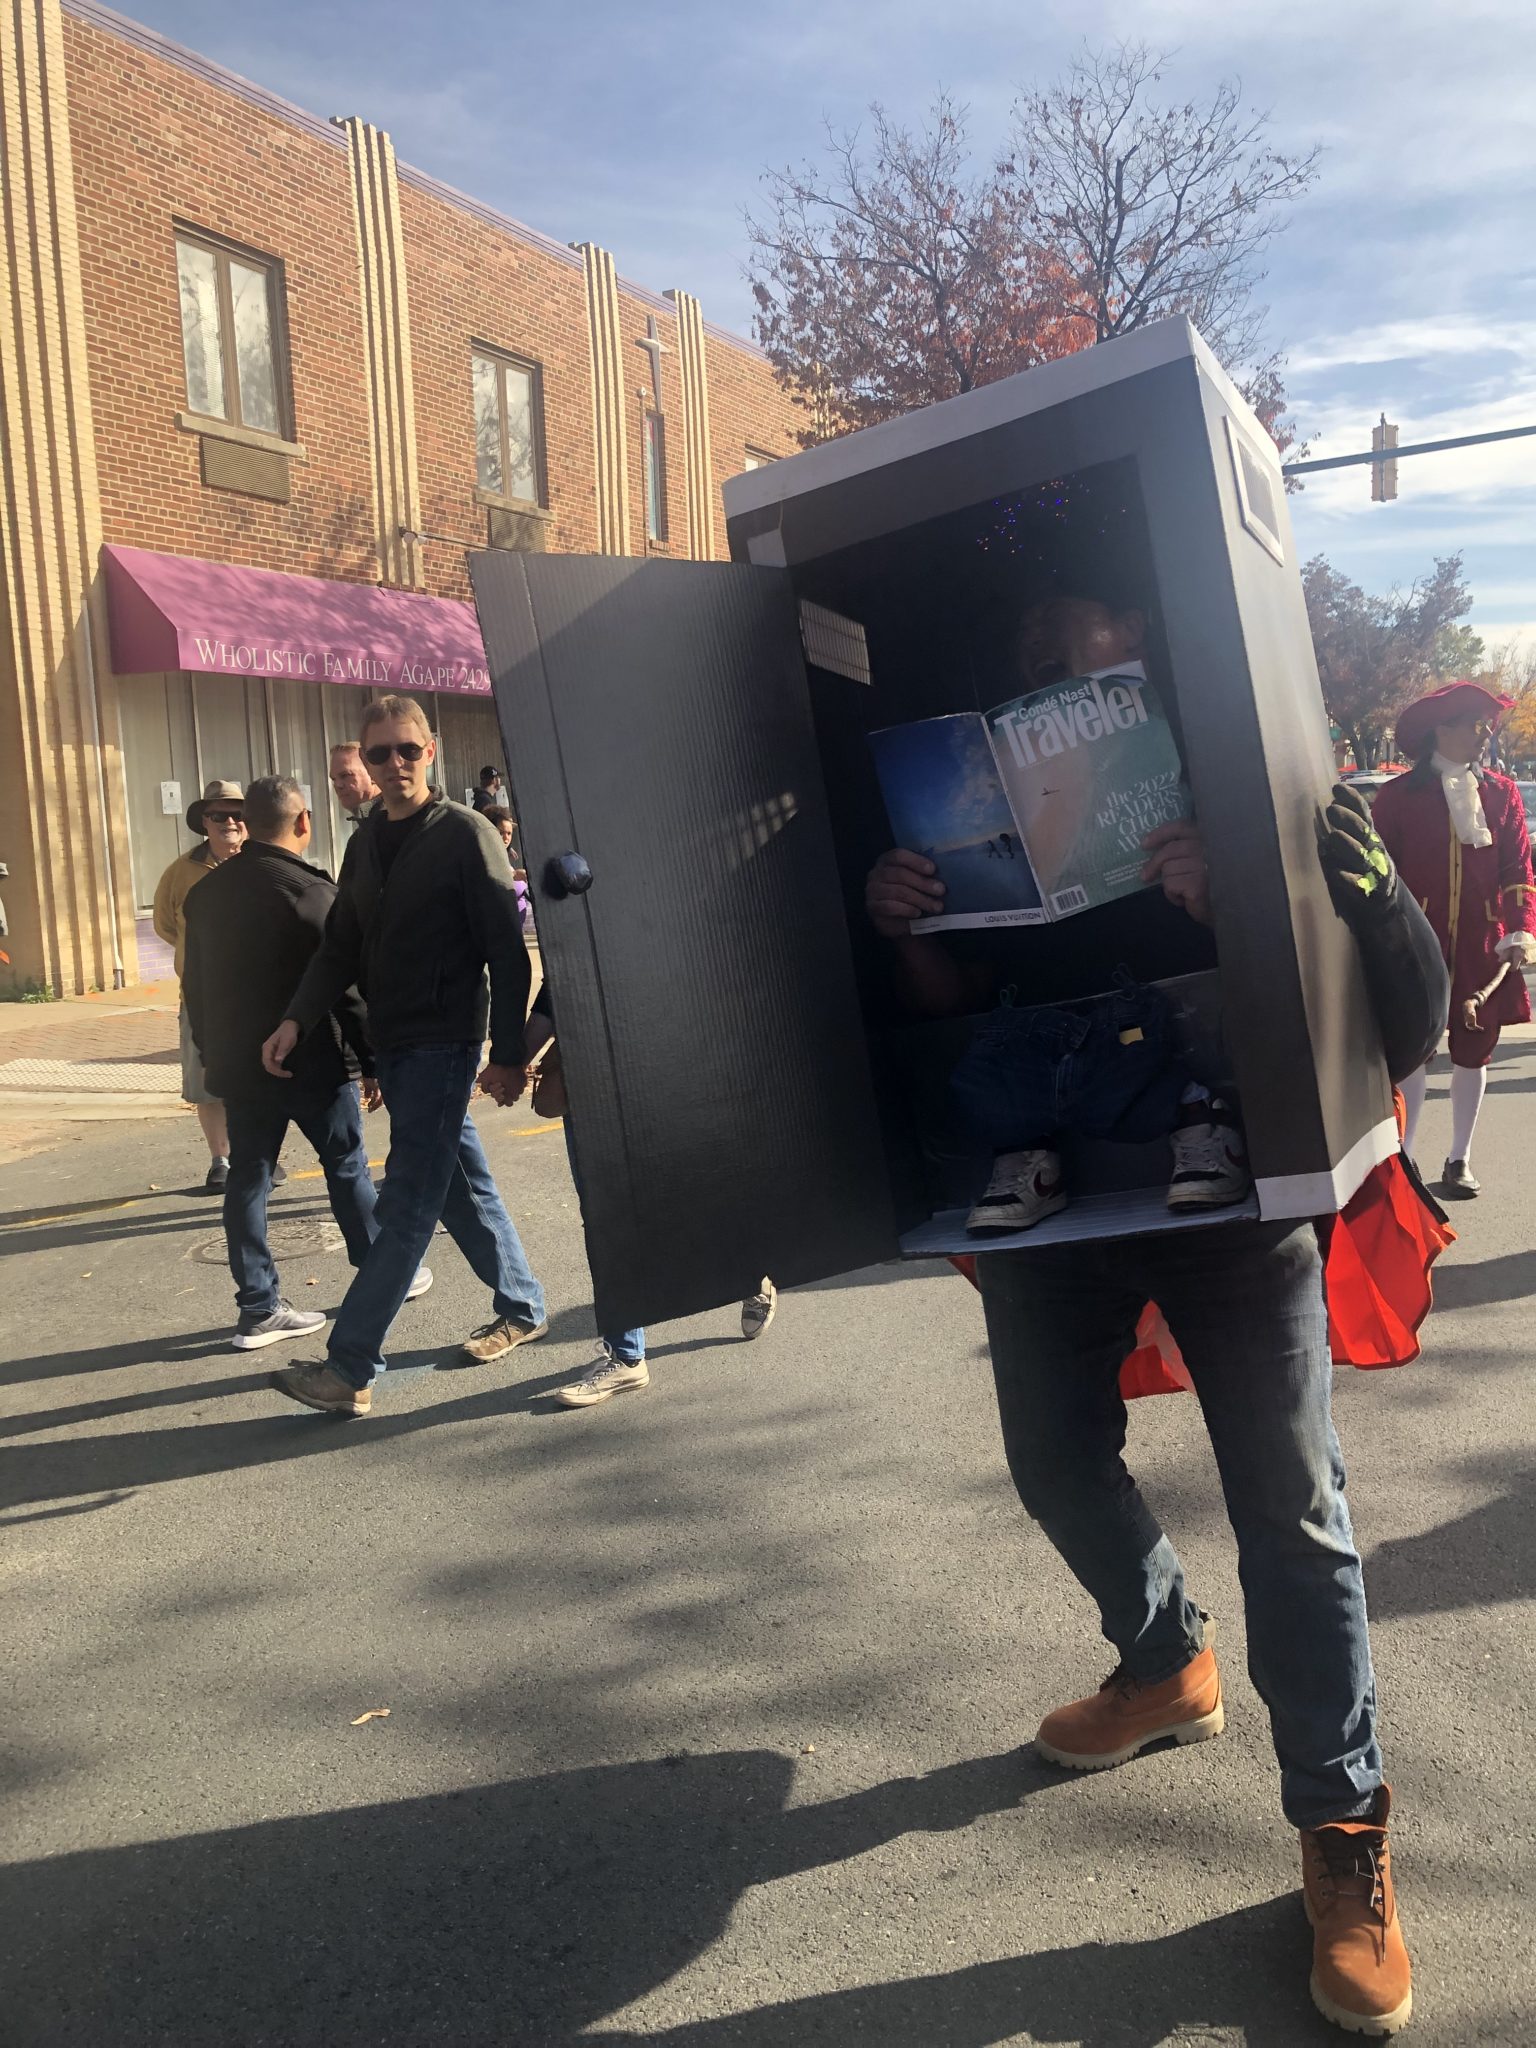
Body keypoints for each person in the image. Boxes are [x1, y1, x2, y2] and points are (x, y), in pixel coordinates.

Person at [863, 592, 1449, 2037]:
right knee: (1054, 1458)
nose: (1070, 667)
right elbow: (944, 1006)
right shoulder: (986, 821)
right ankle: (1164, 1657)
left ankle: (1342, 1827)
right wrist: (906, 926)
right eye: (1041, 653)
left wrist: (1270, 889)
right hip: (1057, 1182)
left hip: (1237, 1178)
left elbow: (1413, 1018)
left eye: (1098, 644)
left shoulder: (1259, 778)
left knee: (1291, 1508)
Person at [260, 695, 547, 1417]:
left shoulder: (465, 833)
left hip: (445, 1040)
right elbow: (341, 948)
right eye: (379, 753)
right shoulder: (365, 844)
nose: (394, 766)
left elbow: (507, 955)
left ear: (432, 749)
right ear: (365, 758)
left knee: (409, 1199)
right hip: (397, 1042)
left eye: (407, 751)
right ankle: (522, 1303)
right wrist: (296, 1018)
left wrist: (508, 1053)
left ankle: (351, 1363)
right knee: (452, 1181)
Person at [182, 776, 433, 1351]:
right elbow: (348, 988)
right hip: (315, 1058)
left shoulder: (206, 893)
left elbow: (194, 984)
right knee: (344, 1163)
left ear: (246, 822)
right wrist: (372, 1060)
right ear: (303, 823)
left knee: (249, 1174)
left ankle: (258, 1306)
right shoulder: (313, 893)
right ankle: (380, 1270)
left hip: (239, 1062)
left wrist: (209, 1048)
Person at [522, 985, 777, 1407]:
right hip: (591, 1083)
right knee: (605, 1217)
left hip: (663, 1066)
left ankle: (750, 1275)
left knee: (683, 1198)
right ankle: (625, 1355)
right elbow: (558, 991)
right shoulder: (572, 923)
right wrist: (511, 1061)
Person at [1369, 680, 1536, 1197]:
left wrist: (1521, 928)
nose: (1484, 733)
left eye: (1485, 724)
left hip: (1483, 945)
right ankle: (1407, 1157)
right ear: (1443, 729)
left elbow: (1518, 866)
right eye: (1475, 723)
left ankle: (1459, 1158)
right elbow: (1379, 873)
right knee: (1414, 1051)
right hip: (1415, 942)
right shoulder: (1396, 798)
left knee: (1475, 1050)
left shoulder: (1501, 792)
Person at [152, 779, 248, 1193]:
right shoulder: (179, 873)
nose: (228, 821)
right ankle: (221, 1160)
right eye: (218, 815)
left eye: (237, 814)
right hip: (202, 996)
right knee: (207, 1084)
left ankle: (256, 1156)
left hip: (257, 995)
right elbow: (167, 926)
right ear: (203, 822)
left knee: (257, 1081)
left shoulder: (264, 863)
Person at [328, 741, 380, 829]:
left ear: (372, 774)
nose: (338, 785)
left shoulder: (397, 818)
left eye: (345, 775)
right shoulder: (359, 836)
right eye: (334, 779)